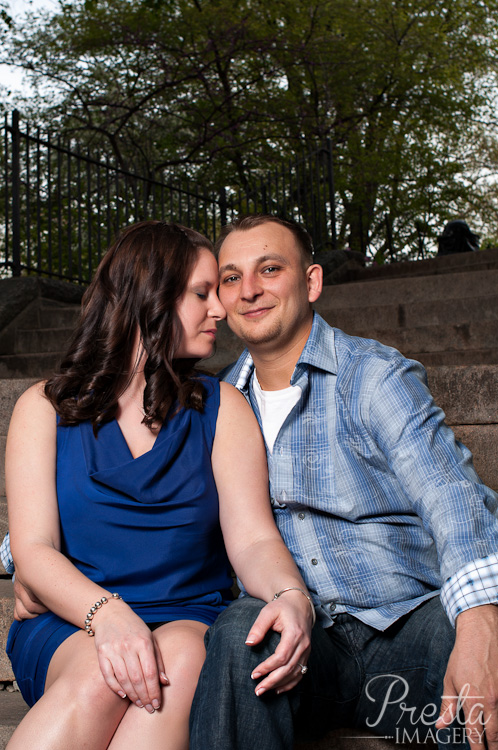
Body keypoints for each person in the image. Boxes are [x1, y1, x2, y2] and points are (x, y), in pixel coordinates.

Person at [187, 215, 498, 750]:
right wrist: (29, 553)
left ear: (311, 282)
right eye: (232, 277)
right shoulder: (214, 405)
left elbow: (449, 491)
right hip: (298, 641)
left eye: (269, 269)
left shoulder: (373, 376)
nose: (250, 290)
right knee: (242, 633)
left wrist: (479, 620)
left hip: (407, 622)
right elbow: (147, 495)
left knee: (476, 657)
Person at [3, 220, 313, 750]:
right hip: (72, 621)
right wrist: (108, 615)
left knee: (180, 661)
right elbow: (32, 550)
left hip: (187, 618)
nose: (221, 309)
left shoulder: (223, 408)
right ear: (149, 298)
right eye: (202, 294)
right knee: (101, 674)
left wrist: (292, 596)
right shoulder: (42, 408)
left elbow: (255, 540)